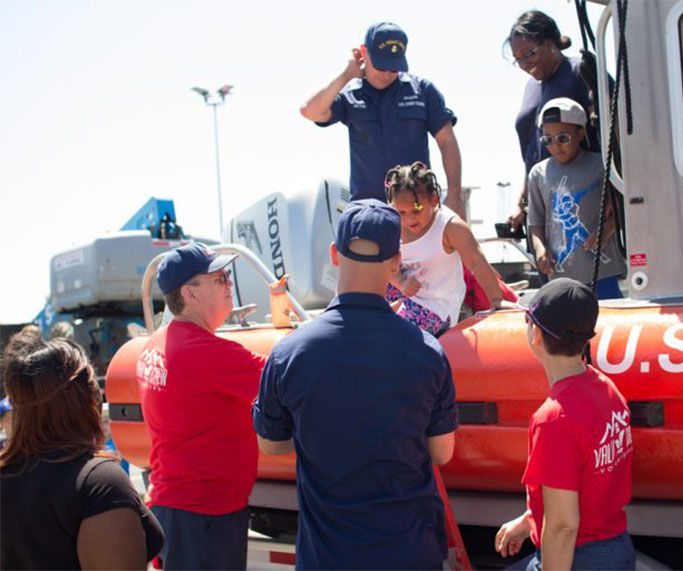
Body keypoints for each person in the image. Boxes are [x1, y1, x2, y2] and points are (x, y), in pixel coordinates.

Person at [253, 199, 458, 569]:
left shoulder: (288, 354)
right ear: (396, 262)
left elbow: (271, 445)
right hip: (410, 554)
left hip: (329, 557)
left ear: (334, 254)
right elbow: (441, 453)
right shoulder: (428, 352)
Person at [137, 243, 267, 570]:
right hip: (204, 515)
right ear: (190, 294)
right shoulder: (202, 352)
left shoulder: (156, 345)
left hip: (174, 505)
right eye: (220, 278)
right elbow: (284, 378)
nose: (229, 283)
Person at [495, 279, 634, 570]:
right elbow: (589, 482)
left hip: (578, 558)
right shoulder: (607, 389)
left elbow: (563, 527)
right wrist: (529, 519)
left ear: (535, 335)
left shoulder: (554, 420)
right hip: (615, 549)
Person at [1, 333, 163, 570]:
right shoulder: (98, 482)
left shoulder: (7, 475)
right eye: (90, 380)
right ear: (81, 396)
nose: (97, 391)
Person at [300, 22, 466, 217]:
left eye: (394, 68)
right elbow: (310, 111)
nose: (387, 74)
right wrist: (346, 75)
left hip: (417, 212)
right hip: (368, 211)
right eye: (381, 65)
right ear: (364, 53)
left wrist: (455, 193)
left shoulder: (423, 91)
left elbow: (447, 141)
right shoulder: (350, 94)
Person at [385, 161, 512, 335]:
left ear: (434, 201)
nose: (409, 219)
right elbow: (383, 261)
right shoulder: (392, 225)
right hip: (403, 290)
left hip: (436, 306)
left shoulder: (449, 227)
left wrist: (497, 300)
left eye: (417, 210)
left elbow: (476, 262)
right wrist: (400, 281)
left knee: (396, 333)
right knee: (367, 313)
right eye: (401, 212)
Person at [505, 10, 595, 234]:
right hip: (541, 206)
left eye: (529, 54)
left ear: (549, 43)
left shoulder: (579, 72)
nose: (525, 64)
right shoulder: (532, 87)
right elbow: (534, 151)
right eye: (519, 60)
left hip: (577, 203)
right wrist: (522, 201)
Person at [527, 97, 624, 298]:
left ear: (580, 133)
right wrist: (540, 249)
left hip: (603, 275)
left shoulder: (602, 166)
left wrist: (606, 231)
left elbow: (624, 209)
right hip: (560, 279)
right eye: (547, 140)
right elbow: (536, 222)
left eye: (563, 138)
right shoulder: (537, 174)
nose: (555, 146)